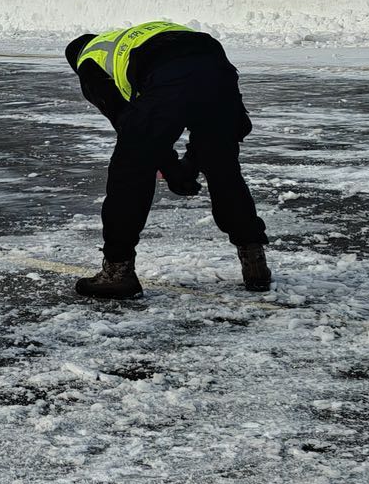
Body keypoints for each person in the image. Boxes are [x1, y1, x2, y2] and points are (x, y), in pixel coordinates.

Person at [66, 21, 271, 299]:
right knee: (222, 165)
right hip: (213, 62)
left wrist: (173, 170)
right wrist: (186, 166)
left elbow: (132, 128)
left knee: (129, 170)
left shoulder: (89, 61)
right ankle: (254, 260)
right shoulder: (130, 37)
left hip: (168, 71)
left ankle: (117, 271)